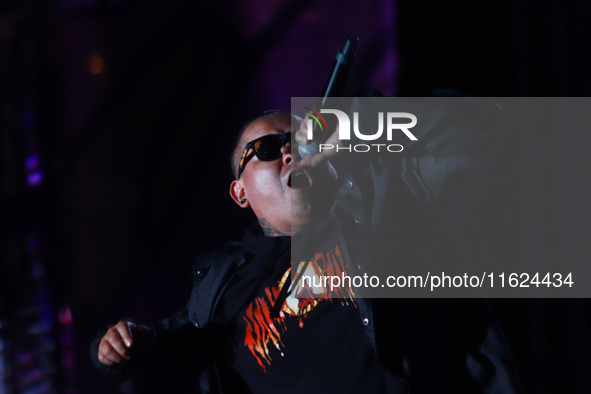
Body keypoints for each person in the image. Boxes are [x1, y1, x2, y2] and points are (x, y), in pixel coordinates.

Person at [91, 96, 520, 393]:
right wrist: (115, 348)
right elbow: (151, 364)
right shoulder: (219, 295)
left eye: (302, 139)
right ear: (240, 193)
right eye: (268, 147)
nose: (292, 151)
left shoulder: (384, 205)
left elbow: (480, 126)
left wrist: (357, 127)